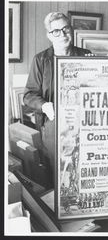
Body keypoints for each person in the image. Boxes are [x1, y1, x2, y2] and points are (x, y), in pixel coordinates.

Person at [23, 12, 91, 184]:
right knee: (58, 173)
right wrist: (44, 105)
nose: (62, 34)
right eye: (56, 31)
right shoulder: (40, 60)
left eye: (65, 29)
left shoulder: (86, 55)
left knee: (81, 169)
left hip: (82, 125)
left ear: (71, 30)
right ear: (49, 35)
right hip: (53, 125)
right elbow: (29, 95)